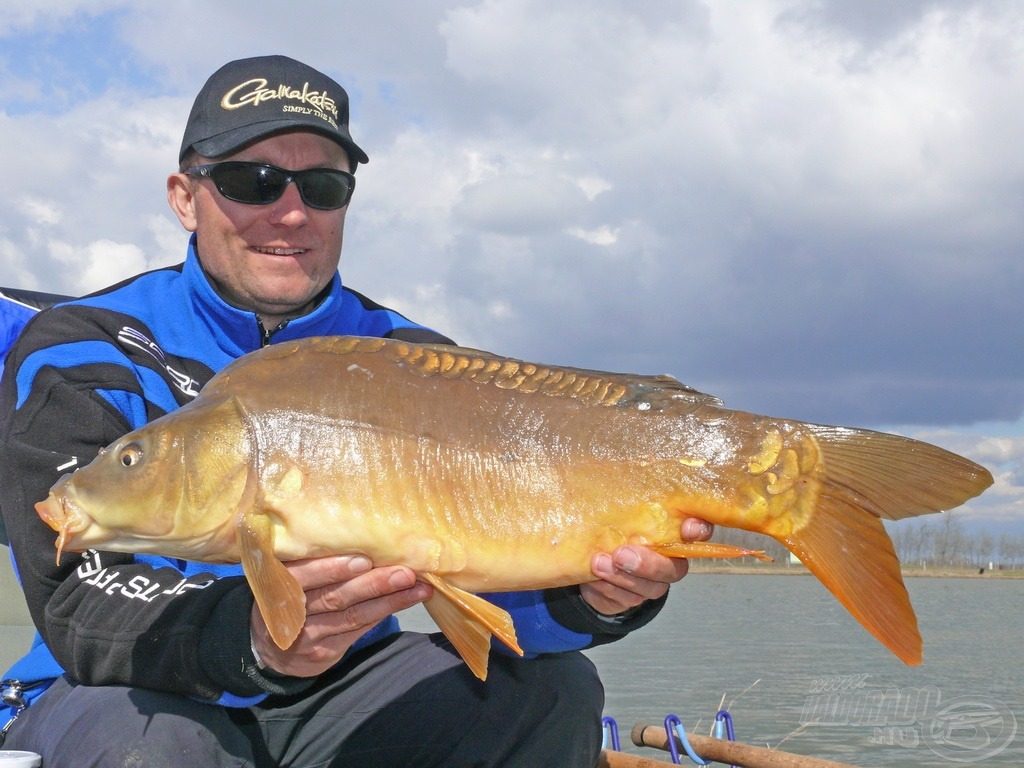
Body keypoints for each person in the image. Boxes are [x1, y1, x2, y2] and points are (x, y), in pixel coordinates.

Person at [0, 55, 714, 768]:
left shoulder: (411, 358)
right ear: (185, 197)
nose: (290, 212)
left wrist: (597, 599)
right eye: (252, 181)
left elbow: (495, 596)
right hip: (113, 690)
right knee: (157, 749)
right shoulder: (82, 344)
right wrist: (251, 636)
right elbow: (72, 599)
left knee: (552, 692)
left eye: (323, 186)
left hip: (337, 688)